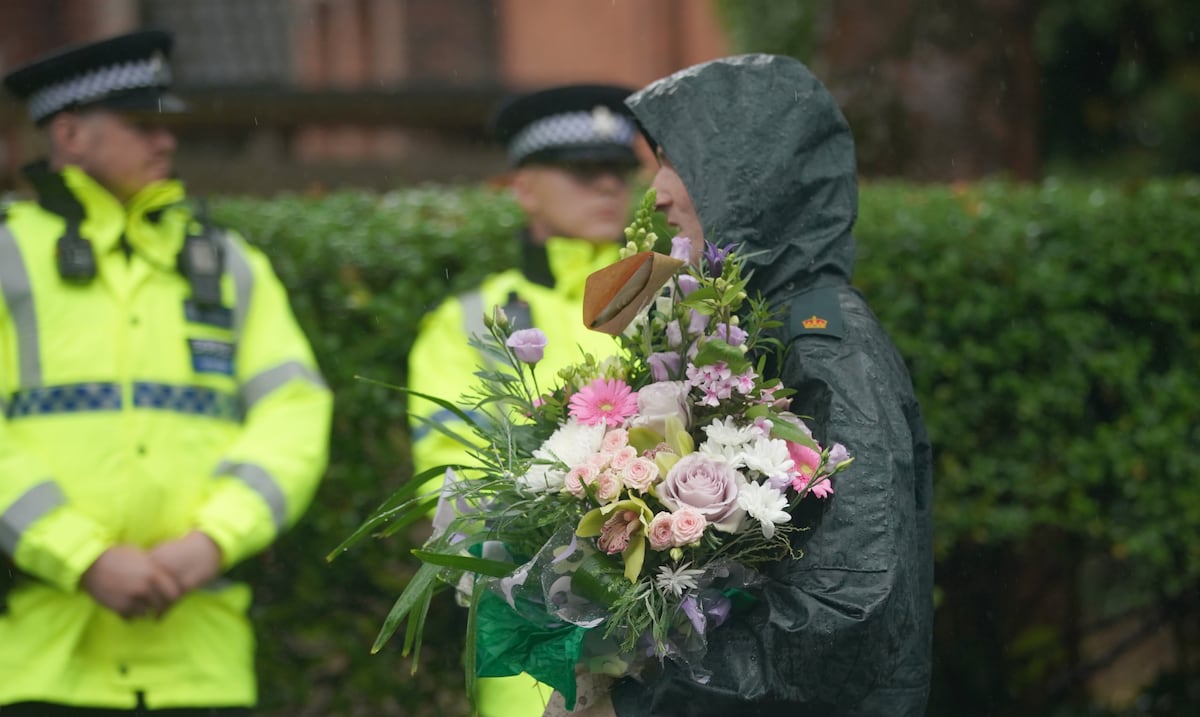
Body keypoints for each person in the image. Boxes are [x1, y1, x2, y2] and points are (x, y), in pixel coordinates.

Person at [549, 54, 935, 717]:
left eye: (679, 164)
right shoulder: (762, 329)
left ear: (753, 177)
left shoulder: (824, 347)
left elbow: (846, 611)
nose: (659, 192)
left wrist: (646, 699)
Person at [0, 29, 332, 715]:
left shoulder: (229, 263)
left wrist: (216, 538)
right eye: (140, 124)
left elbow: (295, 412)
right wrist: (81, 556)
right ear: (68, 134)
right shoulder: (8, 258)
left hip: (201, 666)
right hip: (37, 661)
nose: (166, 141)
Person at [405, 84, 642, 717]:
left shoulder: (665, 306)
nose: (607, 188)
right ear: (524, 188)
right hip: (533, 658)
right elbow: (458, 486)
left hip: (668, 647)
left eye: (618, 172)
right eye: (582, 171)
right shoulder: (471, 322)